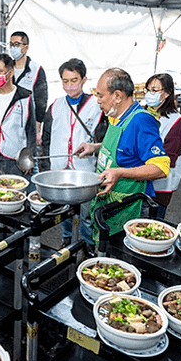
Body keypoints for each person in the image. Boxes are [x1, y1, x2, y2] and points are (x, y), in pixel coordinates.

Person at [75, 68, 170, 243]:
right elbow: (124, 148)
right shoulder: (117, 116)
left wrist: (119, 173)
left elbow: (160, 167)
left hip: (130, 207)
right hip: (110, 204)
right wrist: (95, 147)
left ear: (117, 96)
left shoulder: (141, 121)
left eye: (101, 96)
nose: (97, 101)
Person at [40, 58, 107, 247]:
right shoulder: (55, 106)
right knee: (64, 209)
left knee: (86, 212)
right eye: (65, 81)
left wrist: (95, 151)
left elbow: (106, 139)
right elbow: (46, 138)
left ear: (84, 80)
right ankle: (67, 239)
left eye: (74, 80)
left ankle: (87, 244)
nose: (69, 86)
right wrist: (45, 167)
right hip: (60, 167)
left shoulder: (97, 105)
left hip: (85, 170)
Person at [143, 73, 181, 219]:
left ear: (167, 93)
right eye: (148, 90)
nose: (150, 94)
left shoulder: (175, 123)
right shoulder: (144, 114)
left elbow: (167, 162)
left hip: (157, 192)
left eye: (155, 91)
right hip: (137, 185)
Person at [9, 31, 48, 147]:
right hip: (9, 122)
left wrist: (37, 130)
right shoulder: (7, 69)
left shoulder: (36, 70)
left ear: (26, 48)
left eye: (16, 44)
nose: (13, 48)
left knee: (28, 158)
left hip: (28, 124)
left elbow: (41, 101)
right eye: (11, 44)